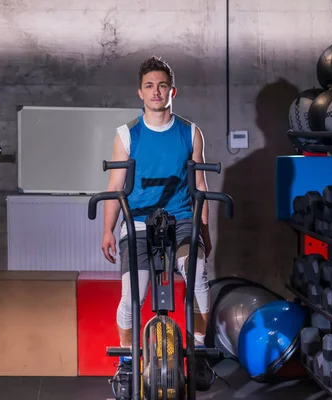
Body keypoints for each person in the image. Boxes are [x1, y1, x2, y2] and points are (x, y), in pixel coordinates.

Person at [101, 56, 213, 377]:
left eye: (162, 86)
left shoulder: (190, 133)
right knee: (132, 295)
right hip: (136, 221)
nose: (156, 92)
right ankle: (126, 360)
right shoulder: (126, 135)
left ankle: (199, 347)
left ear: (172, 91)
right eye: (149, 86)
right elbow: (115, 186)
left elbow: (200, 187)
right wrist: (108, 230)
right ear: (140, 93)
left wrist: (205, 232)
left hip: (179, 220)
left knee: (199, 274)